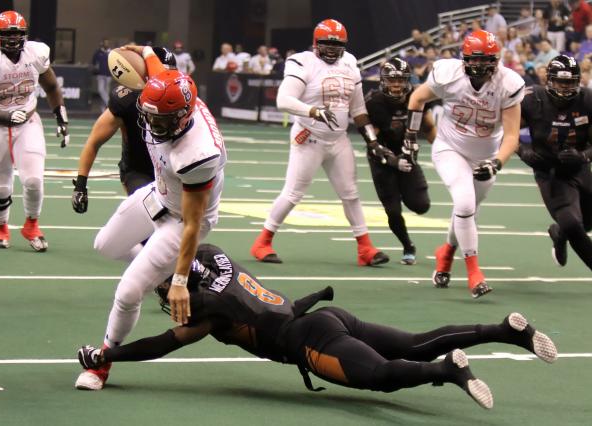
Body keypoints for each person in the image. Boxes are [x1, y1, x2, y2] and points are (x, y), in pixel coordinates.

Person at [77, 243, 558, 409]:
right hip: (322, 317)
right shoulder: (212, 255)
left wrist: (108, 354)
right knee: (415, 341)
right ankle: (505, 330)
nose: (167, 296)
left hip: (307, 340)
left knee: (382, 376)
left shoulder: (204, 308)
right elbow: (265, 303)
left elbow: (164, 343)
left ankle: (449, 371)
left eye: (167, 288)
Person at [74, 45, 227, 391]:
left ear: (182, 118)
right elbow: (151, 60)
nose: (151, 124)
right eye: (149, 115)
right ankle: (162, 269)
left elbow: (191, 223)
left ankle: (103, 362)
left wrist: (178, 282)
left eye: (160, 120)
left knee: (128, 291)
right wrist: (138, 49)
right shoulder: (167, 89)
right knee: (105, 246)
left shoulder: (197, 153)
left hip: (183, 218)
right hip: (157, 193)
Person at [250, 19, 389, 266]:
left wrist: (372, 140)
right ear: (316, 43)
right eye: (327, 43)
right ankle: (262, 242)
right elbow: (283, 100)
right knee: (293, 193)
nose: (333, 49)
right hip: (309, 138)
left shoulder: (350, 63)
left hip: (338, 139)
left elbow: (358, 108)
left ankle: (365, 248)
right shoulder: (303, 62)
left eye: (338, 45)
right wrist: (313, 111)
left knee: (351, 194)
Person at [406, 30, 525, 298]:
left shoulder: (508, 83)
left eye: (488, 60)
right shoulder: (450, 75)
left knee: (467, 210)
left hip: (486, 156)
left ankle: (446, 252)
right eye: (477, 60)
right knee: (464, 203)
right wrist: (411, 136)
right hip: (450, 148)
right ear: (465, 59)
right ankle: (474, 272)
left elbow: (512, 136)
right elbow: (416, 99)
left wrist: (496, 163)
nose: (482, 66)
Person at [0, 10, 69, 252]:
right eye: (7, 34)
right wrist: (5, 115)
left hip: (27, 122)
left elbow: (52, 86)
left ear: (25, 35)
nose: (13, 39)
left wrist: (61, 117)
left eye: (17, 34)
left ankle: (31, 225)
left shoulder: (36, 53)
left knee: (34, 180)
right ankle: (1, 227)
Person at [71, 47, 177, 213]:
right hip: (139, 170)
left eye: (168, 75)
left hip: (173, 169)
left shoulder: (184, 99)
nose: (164, 81)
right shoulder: (126, 101)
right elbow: (93, 142)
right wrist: (80, 184)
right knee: (152, 213)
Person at [518, 55, 592, 270]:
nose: (566, 87)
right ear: (549, 80)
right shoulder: (532, 99)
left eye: (571, 82)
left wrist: (583, 156)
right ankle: (565, 230)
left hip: (579, 168)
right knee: (572, 223)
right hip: (550, 171)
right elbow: (506, 130)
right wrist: (523, 151)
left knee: (585, 223)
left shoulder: (587, 100)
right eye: (562, 81)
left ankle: (559, 233)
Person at [364, 57, 436, 265]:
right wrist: (393, 161)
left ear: (408, 80)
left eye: (400, 80)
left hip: (408, 153)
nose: (396, 85)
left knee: (421, 205)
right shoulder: (375, 102)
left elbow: (429, 128)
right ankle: (407, 245)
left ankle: (405, 190)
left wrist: (442, 152)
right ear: (383, 81)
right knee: (393, 210)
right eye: (391, 80)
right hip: (382, 158)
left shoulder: (418, 96)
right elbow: (372, 142)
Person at [91, 39, 112, 108]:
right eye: (104, 43)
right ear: (102, 43)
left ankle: (103, 109)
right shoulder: (98, 52)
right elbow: (93, 62)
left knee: (106, 91)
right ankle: (109, 103)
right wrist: (96, 67)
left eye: (107, 43)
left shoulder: (111, 52)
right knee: (101, 90)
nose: (106, 44)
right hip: (100, 74)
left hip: (108, 75)